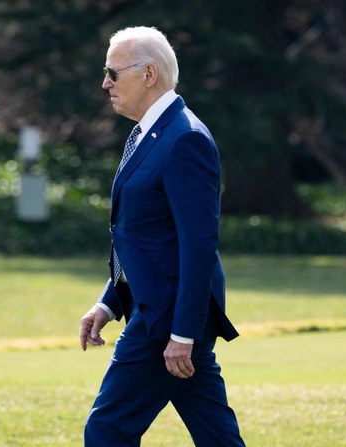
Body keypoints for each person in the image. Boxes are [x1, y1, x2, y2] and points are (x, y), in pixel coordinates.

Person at [79, 26, 246, 446]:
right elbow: (146, 238)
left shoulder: (184, 138)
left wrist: (182, 334)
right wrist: (109, 301)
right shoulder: (149, 133)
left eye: (112, 72)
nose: (105, 83)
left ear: (148, 74)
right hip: (163, 313)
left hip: (165, 320)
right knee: (216, 436)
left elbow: (198, 245)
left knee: (107, 431)